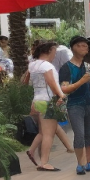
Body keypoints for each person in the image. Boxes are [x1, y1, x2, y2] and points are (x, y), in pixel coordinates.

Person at [60, 36, 90, 174]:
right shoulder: (66, 67)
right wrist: (81, 81)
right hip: (75, 104)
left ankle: (88, 161)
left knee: (89, 134)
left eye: (85, 46)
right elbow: (64, 89)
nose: (84, 48)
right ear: (73, 48)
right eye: (80, 46)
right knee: (79, 134)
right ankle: (80, 163)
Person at [26, 40, 67, 172]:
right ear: (49, 51)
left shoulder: (32, 65)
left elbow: (26, 82)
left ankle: (31, 151)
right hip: (48, 101)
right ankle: (44, 162)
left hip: (36, 101)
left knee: (42, 132)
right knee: (49, 134)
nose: (55, 54)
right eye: (54, 51)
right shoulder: (47, 66)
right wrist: (61, 95)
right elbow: (51, 83)